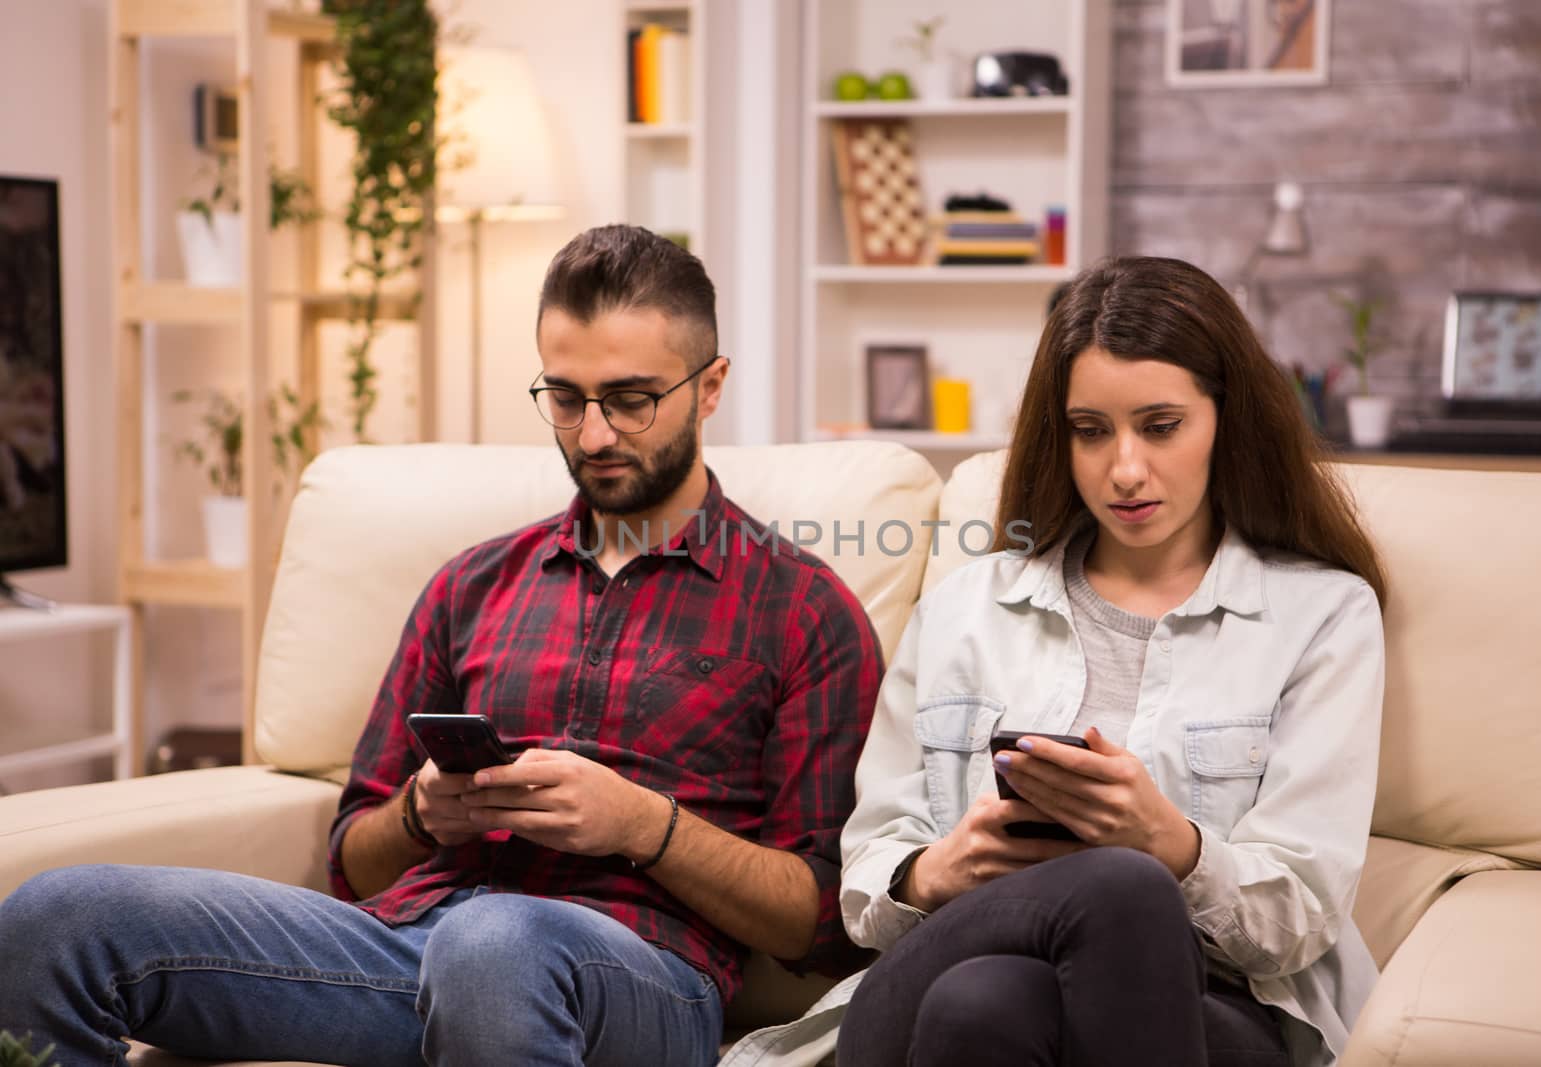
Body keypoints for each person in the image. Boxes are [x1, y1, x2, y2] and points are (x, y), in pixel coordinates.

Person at [0, 225, 882, 1066]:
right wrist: (425, 813)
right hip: (408, 945)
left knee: (493, 943)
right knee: (55, 916)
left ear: (711, 385)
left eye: (631, 399)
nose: (596, 434)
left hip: (645, 975)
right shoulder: (474, 583)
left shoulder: (803, 610)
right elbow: (352, 860)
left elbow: (823, 919)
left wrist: (640, 824)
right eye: (566, 398)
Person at [834, 255, 1388, 1067]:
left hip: (1215, 1008)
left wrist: (1172, 844)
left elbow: (1302, 911)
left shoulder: (1322, 614)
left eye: (1160, 426)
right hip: (928, 977)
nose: (1124, 468)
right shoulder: (964, 607)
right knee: (1048, 935)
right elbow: (867, 873)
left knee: (1000, 992)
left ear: (1225, 420)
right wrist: (938, 868)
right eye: (1090, 431)